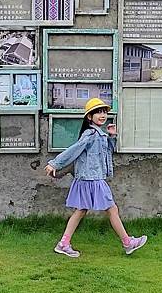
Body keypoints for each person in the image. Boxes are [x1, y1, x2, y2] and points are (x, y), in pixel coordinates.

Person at [45, 97, 147, 258]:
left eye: (104, 112)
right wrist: (55, 164)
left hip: (91, 178)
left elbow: (106, 154)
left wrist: (111, 136)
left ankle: (63, 244)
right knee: (112, 209)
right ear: (89, 116)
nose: (102, 115)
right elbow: (74, 149)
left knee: (81, 210)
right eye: (98, 112)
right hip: (92, 179)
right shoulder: (91, 133)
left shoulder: (99, 134)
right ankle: (128, 242)